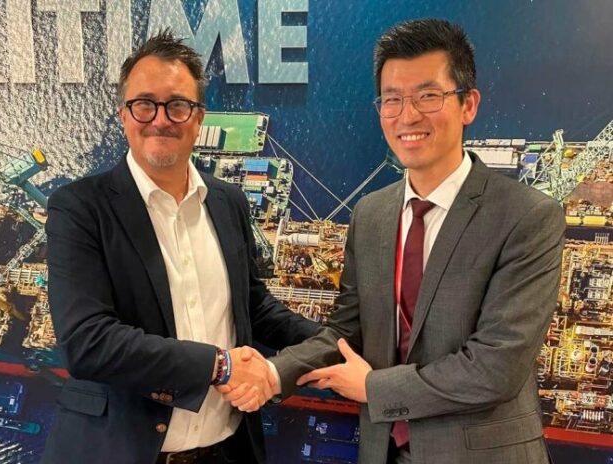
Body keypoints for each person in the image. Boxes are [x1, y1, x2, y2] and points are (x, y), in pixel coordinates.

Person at [223, 18, 565, 464]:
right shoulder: (371, 214)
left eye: (428, 96)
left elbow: (495, 367)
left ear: (468, 104)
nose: (408, 116)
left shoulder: (526, 216)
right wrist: (273, 373)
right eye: (392, 99)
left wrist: (373, 388)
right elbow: (346, 332)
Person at [42, 29, 318, 464]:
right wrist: (219, 366)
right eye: (144, 104)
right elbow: (88, 342)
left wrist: (329, 341)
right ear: (124, 114)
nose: (160, 119)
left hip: (226, 453)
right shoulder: (80, 208)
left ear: (198, 117)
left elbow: (250, 304)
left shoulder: (228, 201)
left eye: (177, 105)